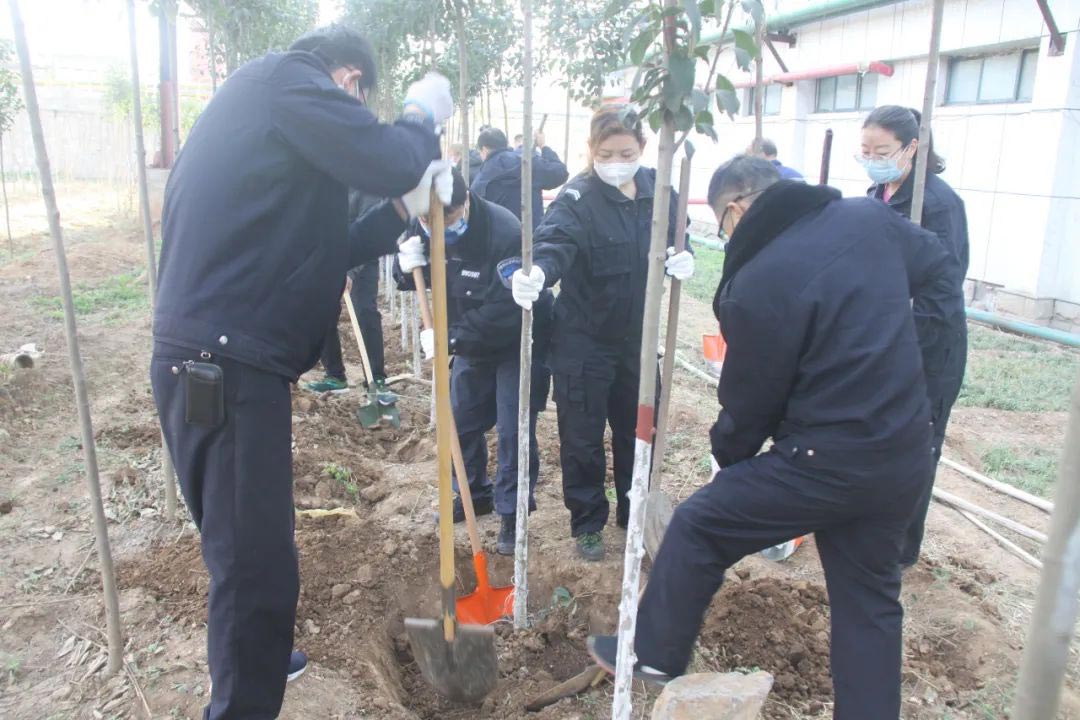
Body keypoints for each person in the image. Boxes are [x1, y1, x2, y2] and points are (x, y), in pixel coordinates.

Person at [585, 156, 964, 719]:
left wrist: (728, 458)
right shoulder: (869, 219)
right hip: (903, 451)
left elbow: (750, 400)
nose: (726, 234)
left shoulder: (758, 281)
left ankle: (655, 652)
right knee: (869, 606)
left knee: (699, 524)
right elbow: (940, 267)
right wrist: (917, 360)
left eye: (721, 222)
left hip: (823, 460)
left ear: (736, 210)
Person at [150, 24, 453, 720]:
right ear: (347, 81)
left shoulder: (268, 124)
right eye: (360, 100)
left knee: (242, 539)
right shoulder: (286, 80)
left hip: (215, 359)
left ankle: (259, 656)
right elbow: (384, 157)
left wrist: (404, 212)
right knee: (255, 565)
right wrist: (419, 119)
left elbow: (329, 246)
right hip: (221, 363)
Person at [511, 105, 695, 561]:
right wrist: (538, 273)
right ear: (591, 150)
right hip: (583, 342)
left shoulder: (660, 191)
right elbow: (556, 244)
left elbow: (679, 235)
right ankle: (588, 520)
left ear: (643, 149)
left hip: (638, 338)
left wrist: (681, 253)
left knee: (638, 432)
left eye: (626, 152)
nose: (617, 160)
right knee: (582, 436)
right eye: (607, 152)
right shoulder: (578, 198)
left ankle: (635, 510)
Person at [394, 168, 552, 555]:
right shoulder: (423, 227)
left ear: (464, 205)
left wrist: (449, 337)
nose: (435, 229)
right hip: (471, 343)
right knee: (460, 421)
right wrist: (404, 266)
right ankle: (473, 494)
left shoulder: (505, 232)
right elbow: (413, 275)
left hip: (518, 341)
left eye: (444, 220)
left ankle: (513, 514)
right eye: (425, 222)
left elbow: (506, 311)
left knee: (514, 428)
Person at [861, 105, 970, 568]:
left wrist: (897, 320)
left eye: (881, 151)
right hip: (883, 339)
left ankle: (900, 549)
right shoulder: (878, 192)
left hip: (927, 346)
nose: (871, 159)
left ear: (912, 149)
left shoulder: (938, 204)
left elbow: (945, 281)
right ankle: (869, 526)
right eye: (864, 150)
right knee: (877, 435)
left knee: (916, 444)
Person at [306, 192, 394, 400]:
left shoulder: (364, 183)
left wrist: (349, 271)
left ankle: (376, 378)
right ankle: (335, 376)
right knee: (323, 311)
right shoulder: (327, 179)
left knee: (365, 311)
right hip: (329, 254)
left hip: (363, 256)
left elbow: (369, 231)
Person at [471, 127, 569, 230]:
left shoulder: (484, 175)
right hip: (531, 235)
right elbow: (560, 173)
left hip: (499, 238)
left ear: (484, 150)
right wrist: (543, 146)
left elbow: (473, 211)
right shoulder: (528, 163)